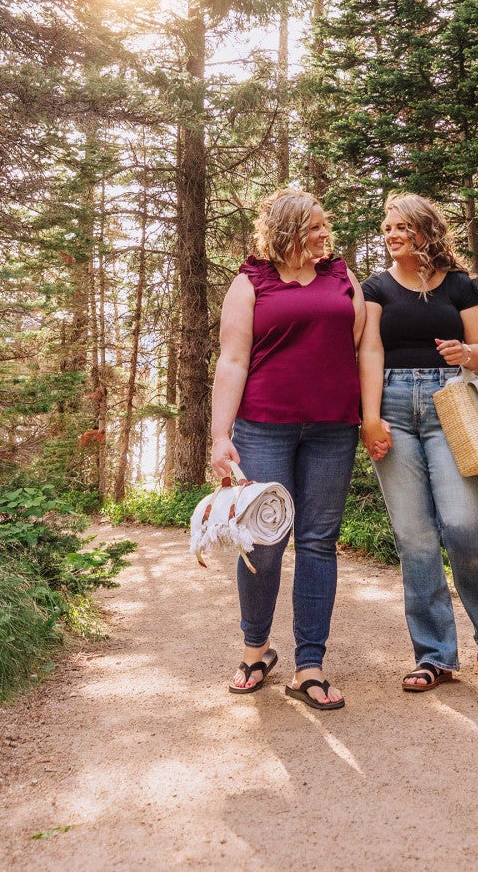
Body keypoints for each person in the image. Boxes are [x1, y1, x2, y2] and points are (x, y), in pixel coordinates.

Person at [209, 188, 389, 710]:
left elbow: (361, 346)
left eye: (323, 226)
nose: (323, 234)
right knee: (263, 541)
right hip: (264, 427)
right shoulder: (250, 282)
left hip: (333, 427)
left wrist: (369, 416)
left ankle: (309, 665)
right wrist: (222, 436)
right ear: (287, 229)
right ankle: (256, 651)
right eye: (313, 227)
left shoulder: (341, 277)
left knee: (317, 542)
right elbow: (233, 361)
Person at [358, 192, 478, 691]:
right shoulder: (375, 287)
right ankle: (435, 655)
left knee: (463, 525)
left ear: (424, 231)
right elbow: (370, 350)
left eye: (400, 226)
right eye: (386, 228)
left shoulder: (461, 286)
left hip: (451, 406)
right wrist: (370, 417)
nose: (390, 234)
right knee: (415, 539)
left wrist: (468, 352)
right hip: (394, 407)